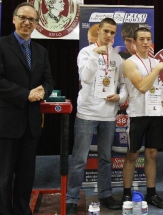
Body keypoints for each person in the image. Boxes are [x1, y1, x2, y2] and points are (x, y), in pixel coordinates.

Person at [0, 2, 54, 215]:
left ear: (36, 24)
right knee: (4, 177)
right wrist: (26, 94)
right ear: (14, 19)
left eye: (31, 19)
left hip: (30, 124)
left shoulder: (41, 51)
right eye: (23, 18)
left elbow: (49, 81)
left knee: (26, 175)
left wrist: (45, 90)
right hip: (5, 123)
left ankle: (23, 211)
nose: (27, 22)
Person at [66, 18, 127, 214]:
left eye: (112, 33)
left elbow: (124, 84)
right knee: (79, 159)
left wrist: (120, 96)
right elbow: (85, 77)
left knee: (105, 158)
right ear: (98, 31)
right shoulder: (85, 52)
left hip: (109, 114)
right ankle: (72, 198)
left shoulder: (117, 58)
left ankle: (105, 194)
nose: (109, 36)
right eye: (106, 31)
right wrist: (94, 55)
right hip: (87, 112)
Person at [122, 27, 163, 209]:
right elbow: (142, 86)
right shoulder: (129, 62)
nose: (145, 42)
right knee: (132, 154)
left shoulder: (154, 61)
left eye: (148, 39)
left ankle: (151, 193)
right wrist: (157, 69)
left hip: (155, 114)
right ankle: (127, 192)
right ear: (134, 43)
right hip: (137, 114)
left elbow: (154, 88)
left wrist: (162, 100)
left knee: (152, 154)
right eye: (141, 39)